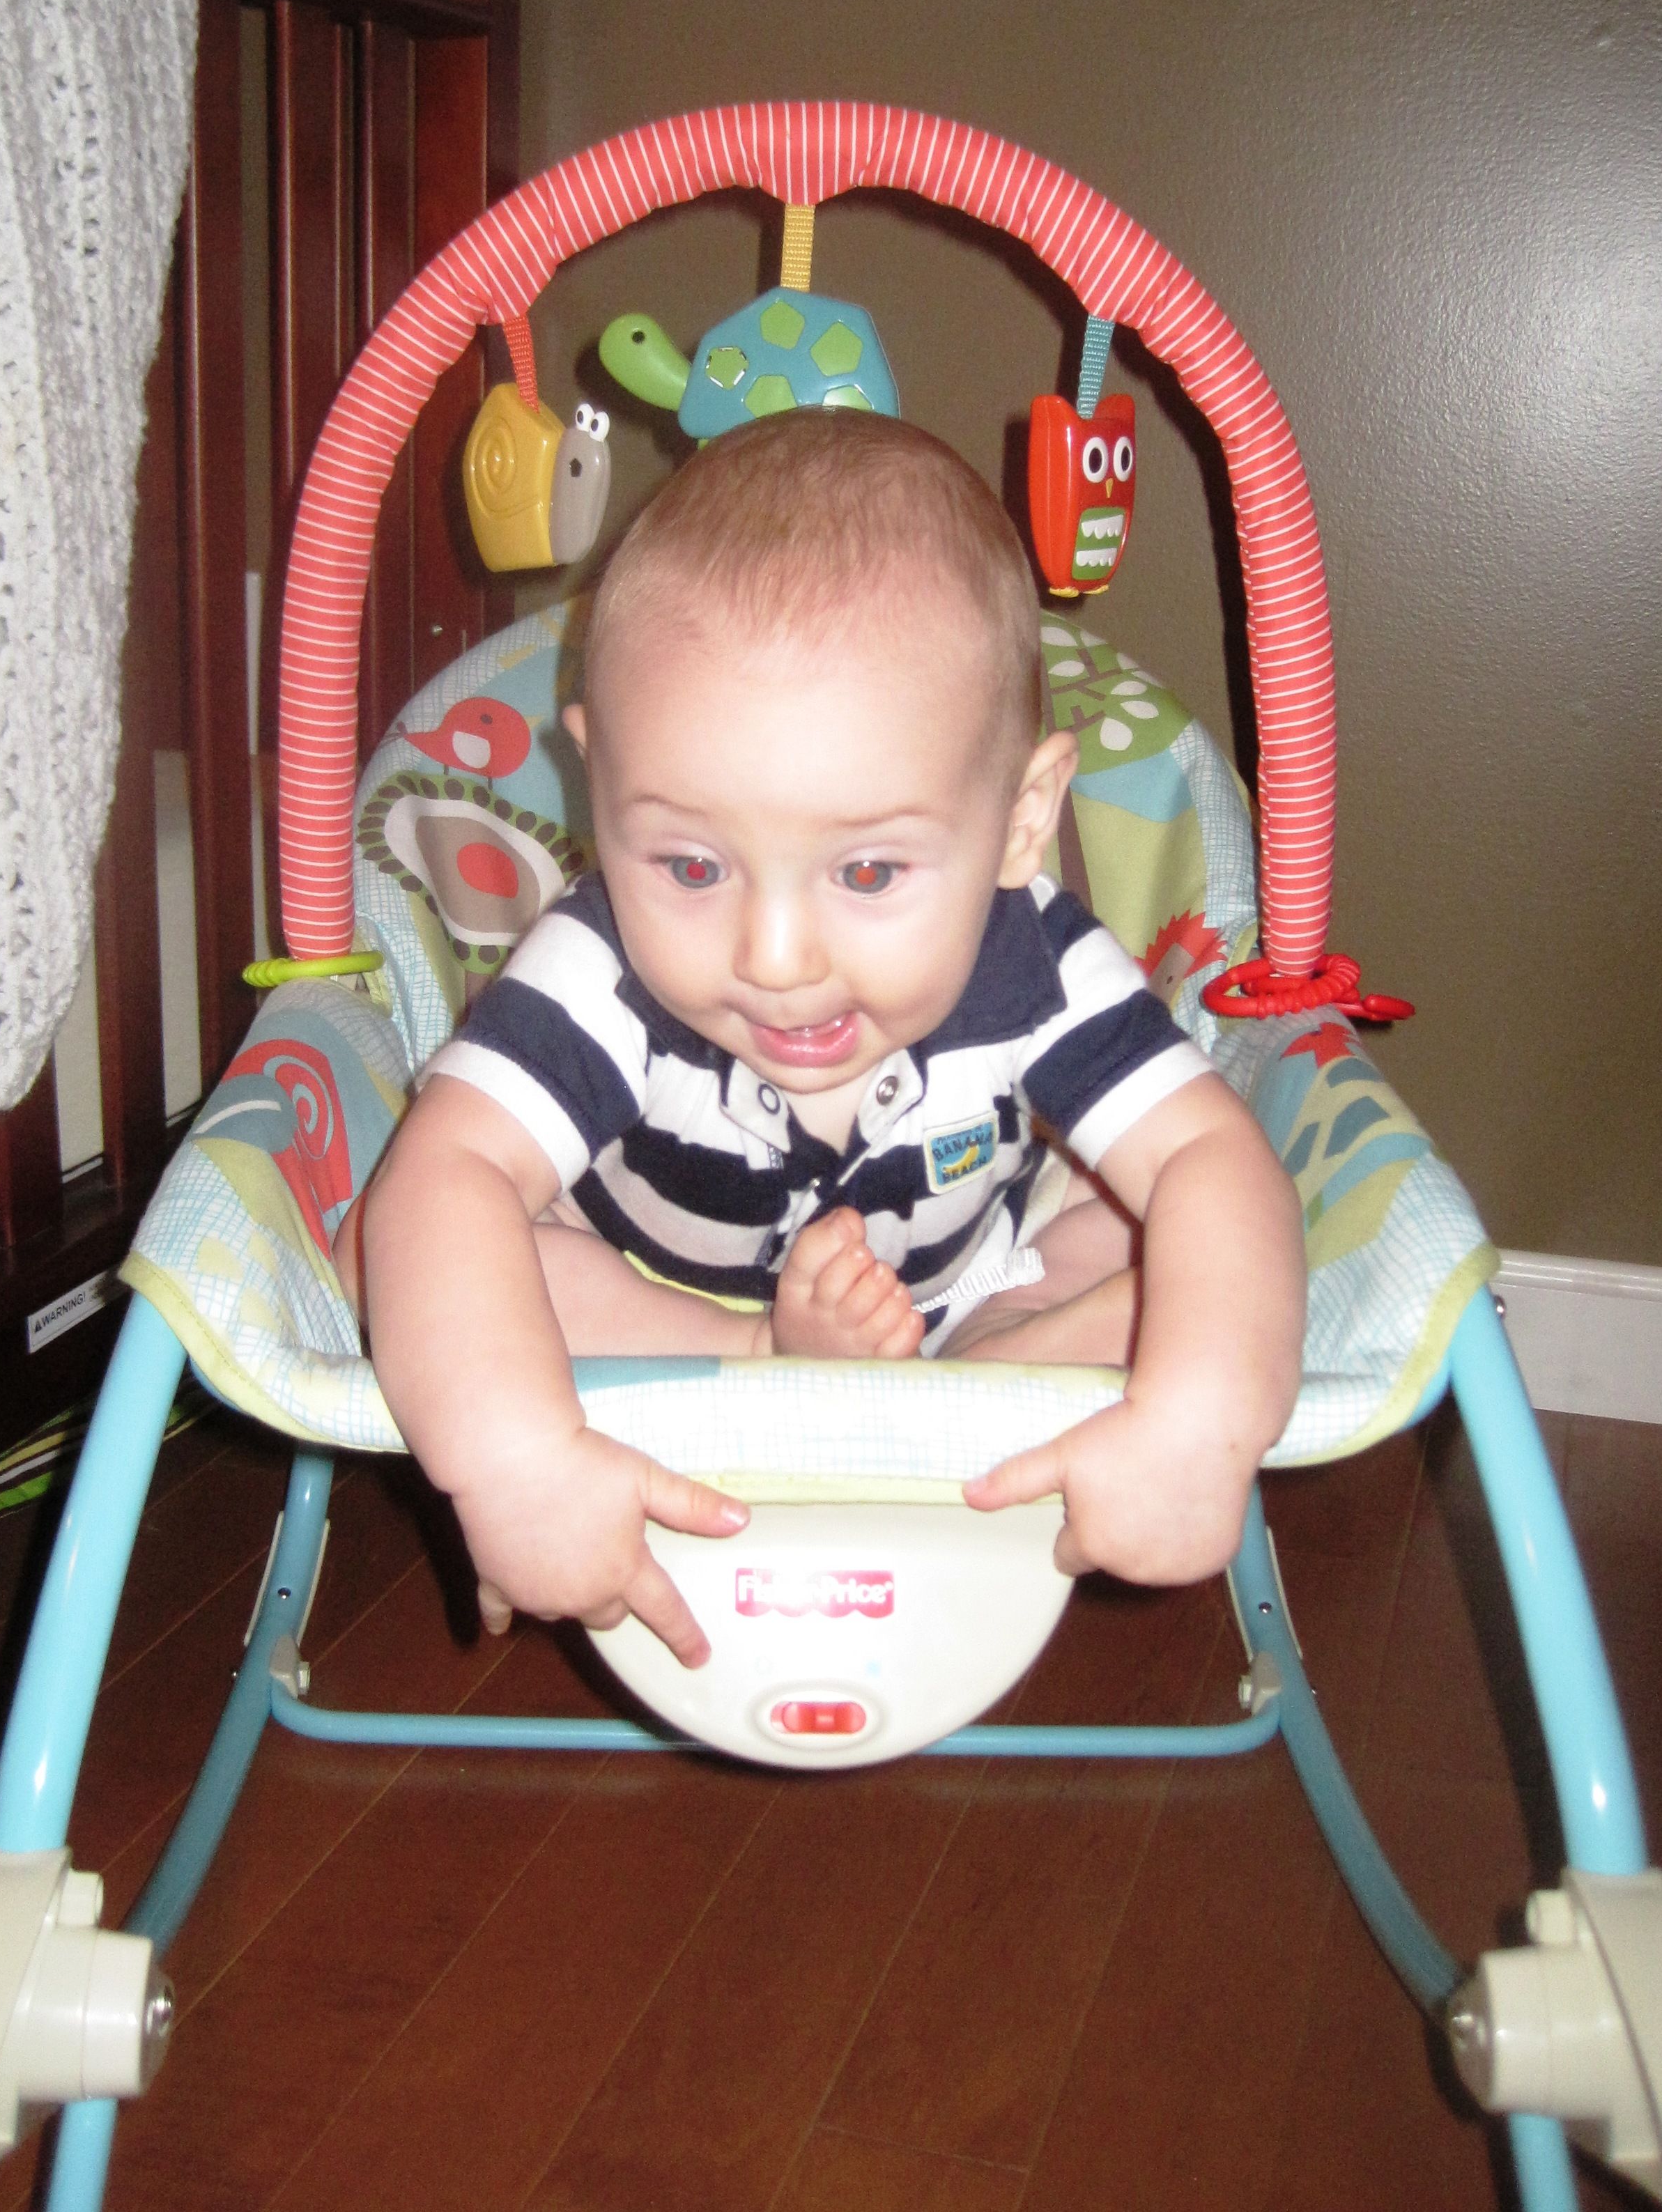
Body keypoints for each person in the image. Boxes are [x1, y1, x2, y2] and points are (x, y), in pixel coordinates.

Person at [353, 410, 1305, 1669]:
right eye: (692, 864)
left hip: (968, 1289)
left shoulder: (1034, 957)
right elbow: (452, 1174)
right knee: (403, 1236)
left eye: (866, 870)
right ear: (598, 784)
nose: (774, 957)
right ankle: (757, 1354)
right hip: (659, 1305)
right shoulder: (596, 964)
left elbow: (1209, 1157)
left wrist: (1196, 1420)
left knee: (1186, 1242)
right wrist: (513, 1459)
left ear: (1021, 820)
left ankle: (983, 1365)